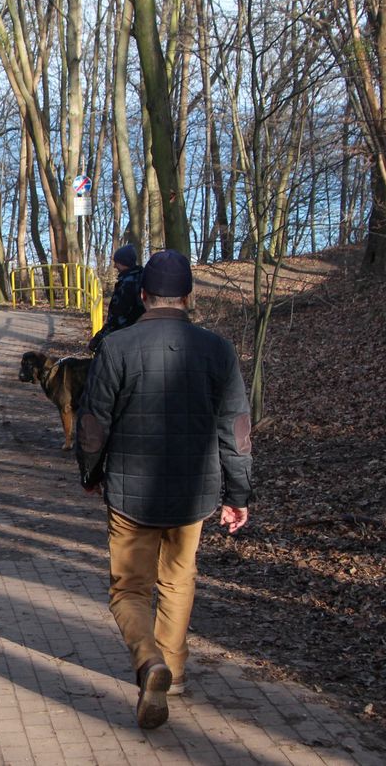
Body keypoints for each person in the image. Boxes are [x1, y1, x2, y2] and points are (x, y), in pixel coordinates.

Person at [75, 249, 253, 730]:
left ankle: (148, 659)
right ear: (189, 297)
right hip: (193, 492)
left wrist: (90, 473)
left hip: (131, 492)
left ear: (145, 295)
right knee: (178, 581)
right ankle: (171, 675)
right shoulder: (217, 350)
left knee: (128, 590)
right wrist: (238, 494)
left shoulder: (117, 347)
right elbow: (235, 427)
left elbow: (93, 424)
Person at [88, 244, 145, 353]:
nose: (114, 266)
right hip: (142, 338)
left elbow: (117, 319)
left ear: (123, 262)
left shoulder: (126, 284)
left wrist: (98, 339)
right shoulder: (143, 279)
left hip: (124, 341)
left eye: (116, 262)